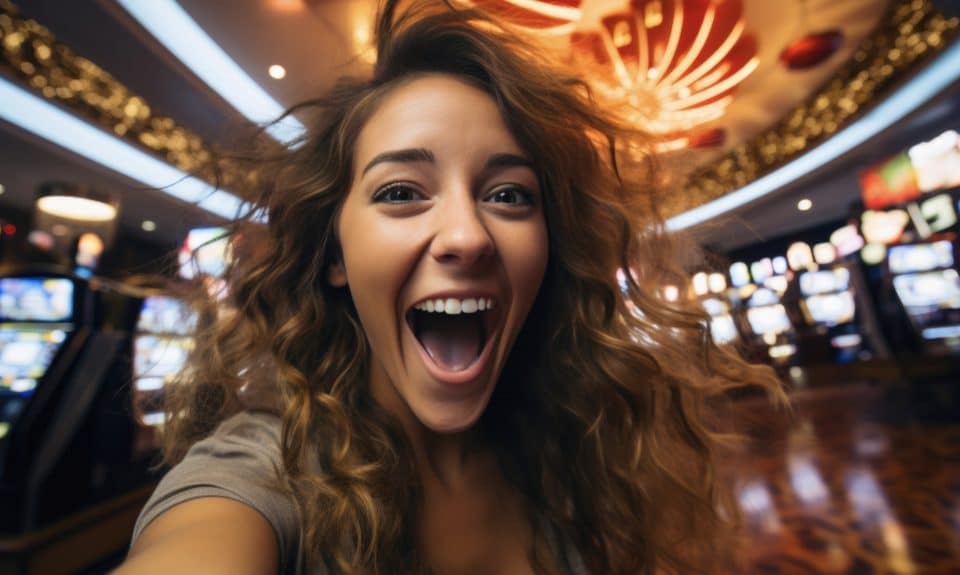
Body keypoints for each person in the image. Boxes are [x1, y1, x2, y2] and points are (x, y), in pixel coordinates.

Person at [117, 1, 782, 573]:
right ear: (335, 253)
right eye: (402, 191)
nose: (468, 236)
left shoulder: (573, 447)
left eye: (509, 194)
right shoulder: (259, 471)